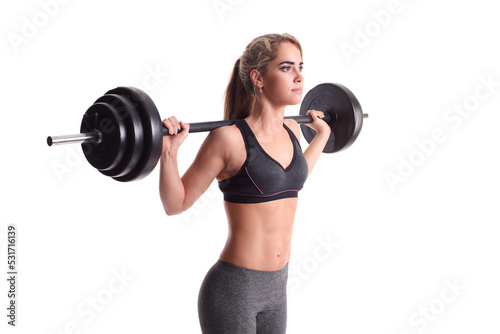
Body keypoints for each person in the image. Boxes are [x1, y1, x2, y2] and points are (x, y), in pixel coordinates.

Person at [159, 33, 331, 333]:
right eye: (287, 68)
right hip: (234, 289)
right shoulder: (228, 139)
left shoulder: (292, 129)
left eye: (301, 67)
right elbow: (176, 204)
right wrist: (169, 153)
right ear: (258, 78)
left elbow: (293, 178)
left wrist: (324, 136)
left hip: (278, 289)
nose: (299, 77)